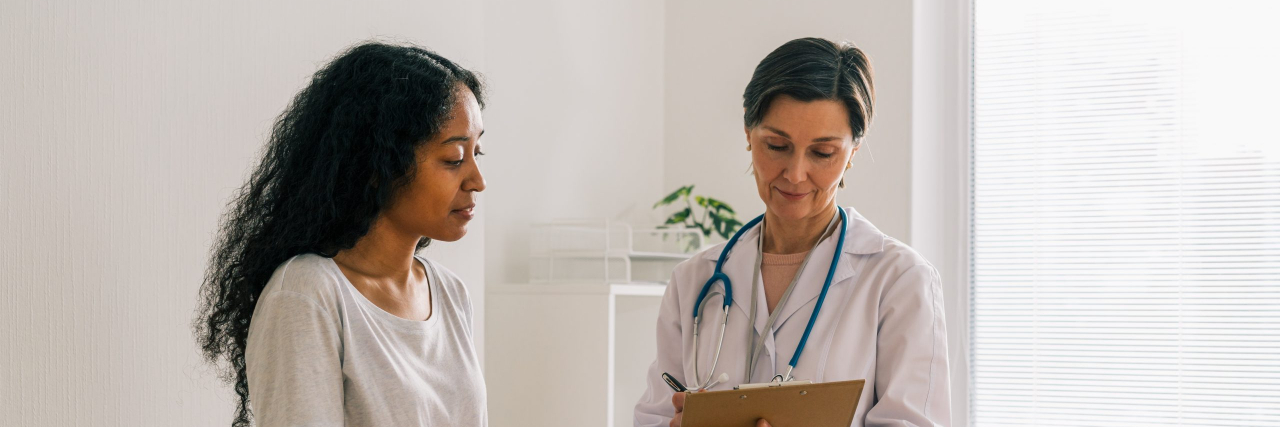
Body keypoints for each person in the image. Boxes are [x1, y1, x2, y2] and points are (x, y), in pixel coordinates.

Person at [633, 37, 950, 427]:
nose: (795, 174)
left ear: (853, 152)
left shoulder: (898, 280)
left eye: (822, 153)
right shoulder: (695, 281)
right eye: (777, 145)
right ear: (749, 134)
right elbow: (654, 416)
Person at [194, 41, 489, 427]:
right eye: (453, 159)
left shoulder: (451, 294)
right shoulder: (306, 294)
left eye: (476, 154)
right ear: (380, 164)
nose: (477, 182)